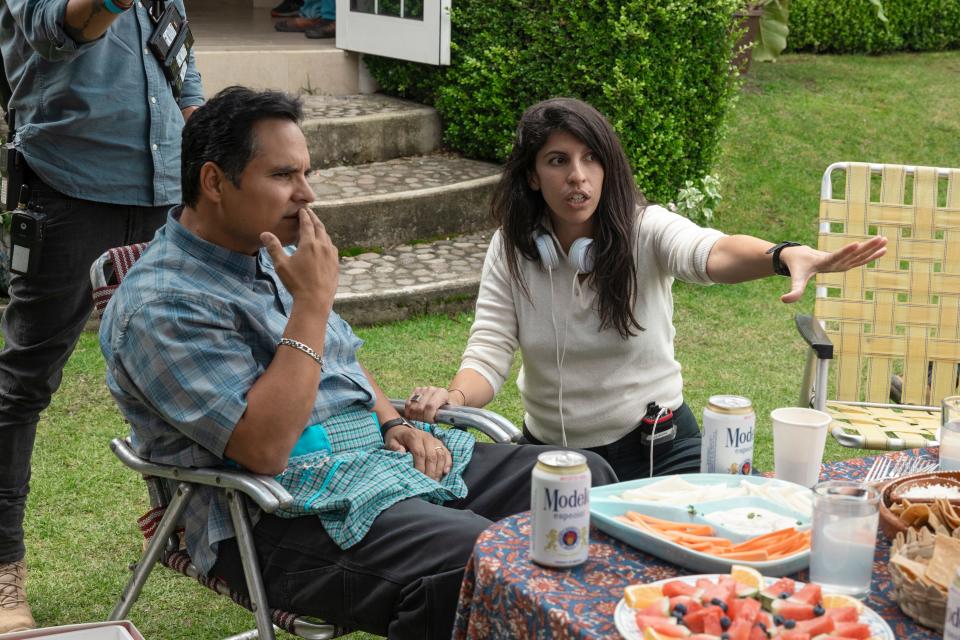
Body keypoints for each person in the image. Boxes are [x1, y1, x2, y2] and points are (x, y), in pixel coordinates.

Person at [99, 86, 616, 639]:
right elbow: (264, 450)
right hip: (275, 515)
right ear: (213, 182)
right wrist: (312, 305)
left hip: (373, 462)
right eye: (283, 176)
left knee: (581, 482)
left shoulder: (267, 252)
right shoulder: (161, 305)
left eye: (306, 173)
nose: (307, 193)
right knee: (472, 557)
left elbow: (340, 358)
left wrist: (392, 421)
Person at [403, 97, 888, 482]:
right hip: (554, 457)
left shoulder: (646, 229)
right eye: (558, 160)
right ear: (532, 175)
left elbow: (710, 252)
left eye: (591, 158)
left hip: (660, 449)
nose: (578, 175)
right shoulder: (510, 248)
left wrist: (781, 256)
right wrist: (456, 397)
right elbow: (488, 351)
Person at [0, 0, 202, 632]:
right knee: (23, 383)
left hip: (168, 190)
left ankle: (192, 533)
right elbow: (56, 32)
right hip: (67, 185)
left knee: (183, 371)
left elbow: (181, 62)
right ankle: (3, 566)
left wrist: (208, 160)